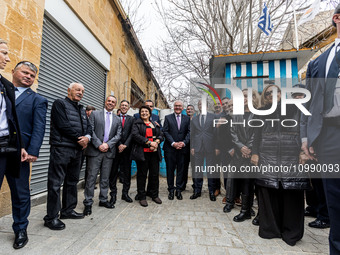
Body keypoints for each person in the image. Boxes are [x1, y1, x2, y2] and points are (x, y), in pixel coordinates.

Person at [301, 5, 340, 253]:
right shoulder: (319, 63)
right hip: (329, 136)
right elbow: (310, 103)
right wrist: (306, 137)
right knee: (335, 201)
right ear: (337, 18)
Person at [251, 84, 309, 246]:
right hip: (267, 156)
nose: (271, 94)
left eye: (275, 91)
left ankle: (291, 232)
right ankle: (271, 230)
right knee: (269, 194)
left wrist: (304, 151)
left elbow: (304, 130)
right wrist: (255, 153)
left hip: (291, 156)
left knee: (291, 193)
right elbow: (256, 135)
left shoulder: (294, 108)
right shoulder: (261, 113)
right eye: (268, 93)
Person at [8, 61, 47, 249]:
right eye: (25, 72)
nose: (28, 77)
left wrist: (33, 151)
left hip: (19, 153)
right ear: (13, 71)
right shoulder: (3, 91)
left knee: (20, 193)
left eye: (32, 75)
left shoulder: (37, 100)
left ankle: (21, 229)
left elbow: (39, 127)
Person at [44, 82, 92, 230]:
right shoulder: (60, 104)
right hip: (61, 148)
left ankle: (67, 210)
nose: (80, 93)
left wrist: (88, 138)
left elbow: (89, 127)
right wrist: (81, 138)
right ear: (69, 90)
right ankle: (51, 217)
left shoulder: (82, 109)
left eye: (83, 91)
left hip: (77, 150)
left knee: (72, 181)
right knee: (55, 183)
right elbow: (63, 125)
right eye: (78, 90)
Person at [0, 39, 28, 249]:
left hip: (10, 148)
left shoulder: (5, 85)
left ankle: (20, 230)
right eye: (4, 53)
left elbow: (11, 119)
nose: (8, 58)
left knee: (19, 192)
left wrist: (21, 147)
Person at [83, 96, 121, 216]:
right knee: (91, 178)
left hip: (108, 152)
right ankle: (88, 203)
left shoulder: (117, 119)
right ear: (105, 102)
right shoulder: (95, 114)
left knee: (105, 178)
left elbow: (118, 135)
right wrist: (99, 144)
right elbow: (90, 130)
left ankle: (103, 200)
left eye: (113, 102)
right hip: (95, 151)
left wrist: (107, 145)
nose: (110, 103)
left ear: (115, 105)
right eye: (109, 101)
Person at [227, 89, 259, 222]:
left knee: (250, 182)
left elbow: (256, 134)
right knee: (242, 181)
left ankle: (246, 210)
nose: (244, 98)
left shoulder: (258, 114)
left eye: (246, 96)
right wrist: (241, 147)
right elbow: (233, 133)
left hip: (252, 154)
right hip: (240, 155)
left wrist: (249, 148)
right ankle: (245, 209)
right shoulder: (236, 115)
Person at [131, 106, 163, 207]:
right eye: (142, 111)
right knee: (142, 175)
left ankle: (154, 195)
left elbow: (161, 134)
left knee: (154, 174)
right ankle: (142, 196)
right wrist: (149, 143)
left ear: (150, 113)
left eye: (146, 111)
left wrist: (157, 142)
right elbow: (135, 135)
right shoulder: (137, 124)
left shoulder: (154, 123)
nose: (144, 113)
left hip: (154, 153)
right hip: (142, 153)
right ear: (140, 114)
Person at [190, 100, 218, 201]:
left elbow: (216, 134)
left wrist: (216, 147)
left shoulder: (213, 117)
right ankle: (197, 191)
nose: (201, 106)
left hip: (210, 146)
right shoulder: (194, 119)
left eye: (203, 104)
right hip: (197, 147)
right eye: (199, 104)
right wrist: (192, 147)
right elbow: (192, 135)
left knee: (210, 170)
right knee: (198, 170)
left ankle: (211, 191)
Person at [163, 100, 190, 200]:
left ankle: (178, 190)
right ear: (173, 107)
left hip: (183, 149)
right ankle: (171, 190)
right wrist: (173, 143)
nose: (178, 107)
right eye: (176, 106)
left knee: (181, 170)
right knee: (170, 170)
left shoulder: (187, 119)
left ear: (182, 107)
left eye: (179, 106)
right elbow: (165, 131)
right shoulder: (168, 118)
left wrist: (183, 143)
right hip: (170, 149)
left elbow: (189, 132)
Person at [109, 100, 135, 204]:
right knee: (113, 172)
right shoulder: (114, 118)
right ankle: (113, 194)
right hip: (115, 148)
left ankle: (125, 193)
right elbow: (112, 133)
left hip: (127, 150)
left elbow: (132, 133)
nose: (124, 107)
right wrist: (119, 144)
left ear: (128, 108)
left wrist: (125, 145)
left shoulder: (132, 119)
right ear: (120, 106)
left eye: (126, 106)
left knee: (127, 173)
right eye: (122, 105)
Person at [183, 104, 195, 191]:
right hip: (185, 148)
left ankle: (196, 185)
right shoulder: (183, 120)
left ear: (194, 111)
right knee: (184, 167)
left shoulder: (197, 120)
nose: (189, 110)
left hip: (195, 148)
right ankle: (183, 185)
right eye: (188, 109)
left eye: (191, 109)